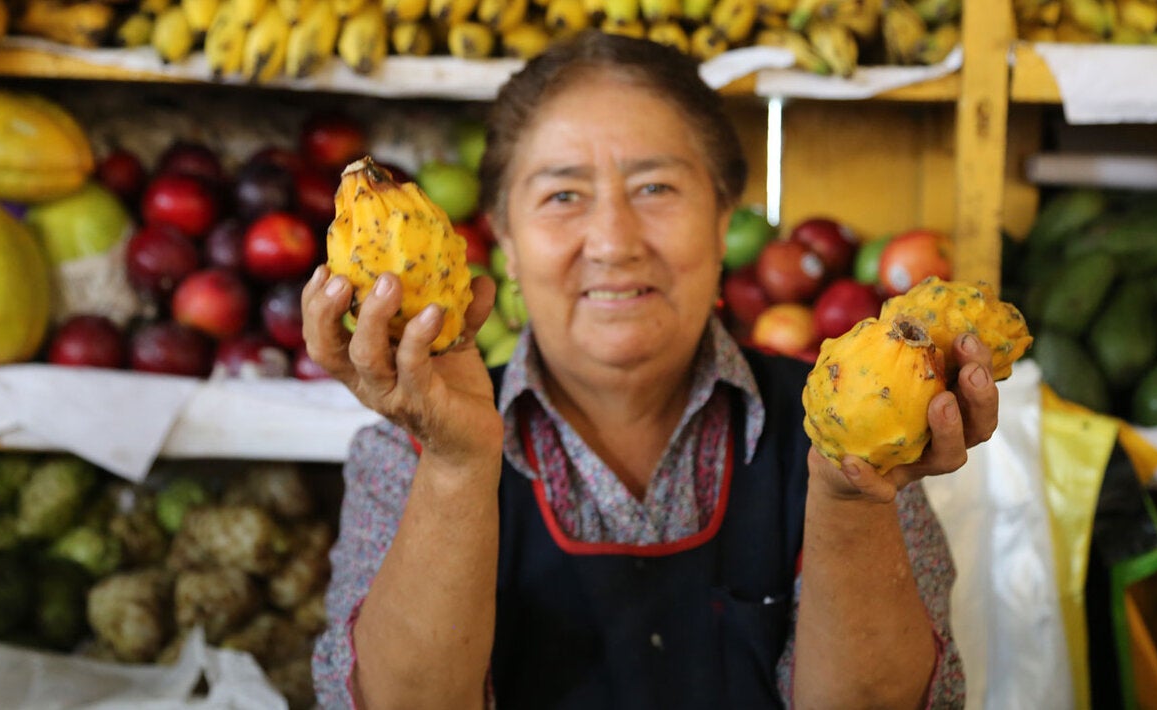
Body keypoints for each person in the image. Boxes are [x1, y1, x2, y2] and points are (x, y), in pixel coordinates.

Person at [304, 30, 997, 710]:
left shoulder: (851, 435)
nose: (613, 242)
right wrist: (456, 467)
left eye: (656, 187)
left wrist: (851, 504)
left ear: (724, 219)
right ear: (505, 238)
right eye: (562, 196)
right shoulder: (408, 455)